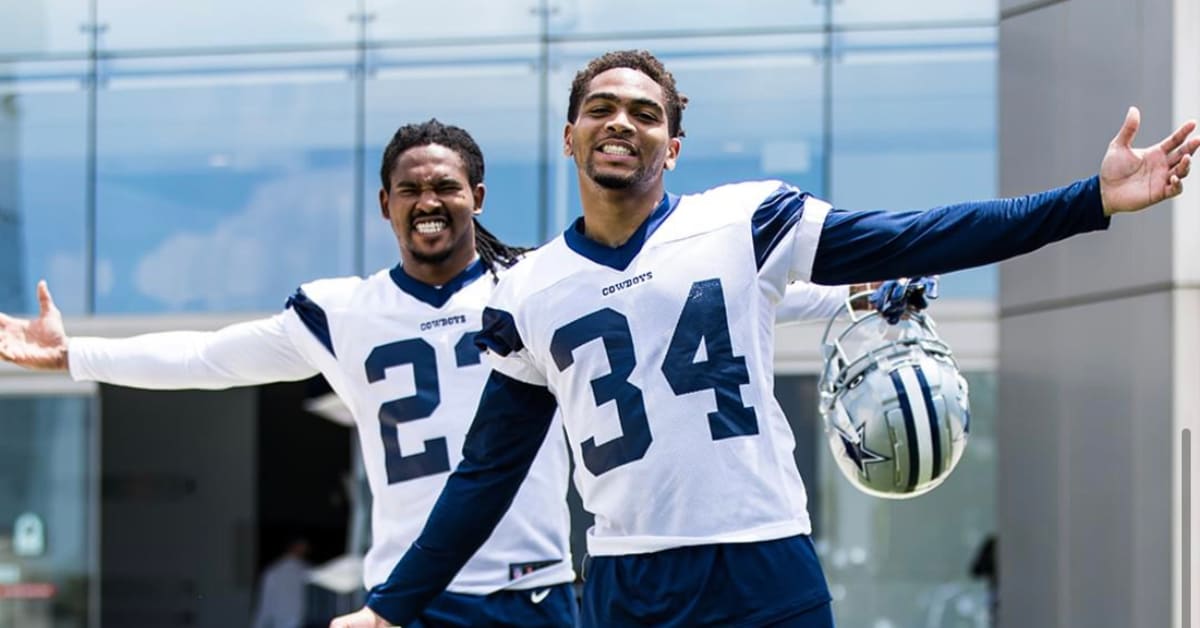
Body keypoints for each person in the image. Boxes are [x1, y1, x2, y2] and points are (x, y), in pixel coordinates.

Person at [329, 50, 1198, 628]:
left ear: (674, 144)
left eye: (643, 111)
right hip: (630, 583)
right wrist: (388, 608)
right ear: (570, 136)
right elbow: (486, 472)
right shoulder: (524, 291)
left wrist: (1090, 200)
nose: (620, 122)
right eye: (600, 108)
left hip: (763, 560)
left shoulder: (744, 221)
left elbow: (923, 235)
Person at [0, 119, 855, 626]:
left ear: (477, 197)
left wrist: (862, 292)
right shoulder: (344, 312)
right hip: (410, 603)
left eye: (445, 185)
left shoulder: (542, 291)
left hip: (537, 596)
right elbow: (209, 359)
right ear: (386, 206)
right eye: (409, 189)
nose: (427, 201)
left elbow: (740, 299)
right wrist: (74, 355)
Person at [252, 537, 312, 628]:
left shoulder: (306, 570)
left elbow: (265, 605)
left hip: (295, 622)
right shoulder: (275, 572)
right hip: (289, 622)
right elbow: (266, 603)